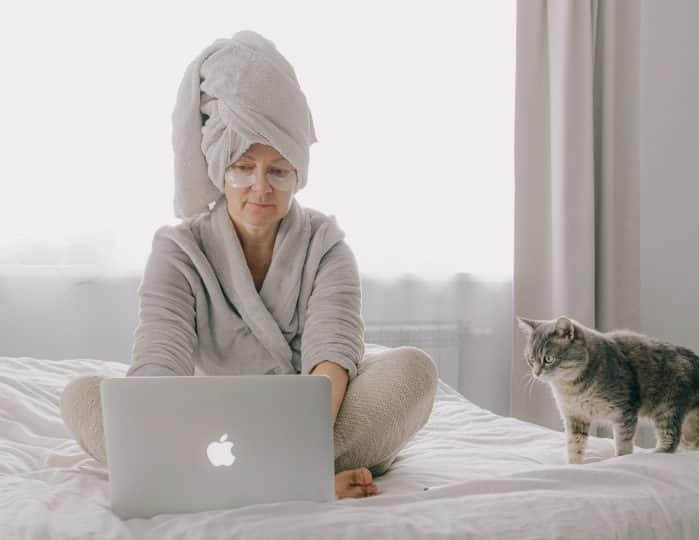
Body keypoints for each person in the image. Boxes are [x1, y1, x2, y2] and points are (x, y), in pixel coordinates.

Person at [59, 30, 438, 500]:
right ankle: (299, 481)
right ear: (220, 168)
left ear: (297, 175)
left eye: (278, 171)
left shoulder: (327, 245)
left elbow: (331, 359)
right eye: (243, 167)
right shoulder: (178, 250)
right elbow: (160, 364)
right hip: (207, 429)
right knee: (81, 398)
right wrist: (155, 422)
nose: (261, 188)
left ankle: (218, 479)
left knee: (412, 371)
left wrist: (290, 441)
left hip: (313, 424)